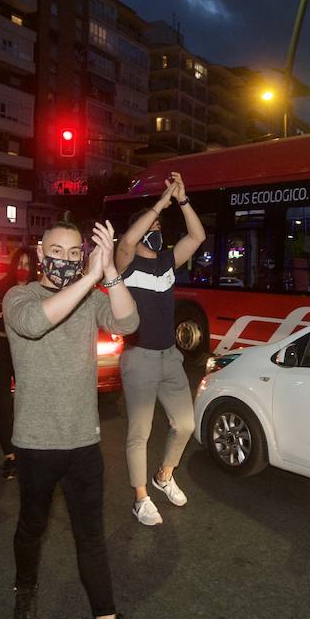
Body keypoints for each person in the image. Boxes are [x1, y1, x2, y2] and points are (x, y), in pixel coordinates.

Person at [2, 219, 162, 619]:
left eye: (76, 253)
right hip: (35, 442)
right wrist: (91, 277)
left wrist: (108, 270)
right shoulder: (21, 297)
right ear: (38, 250)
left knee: (91, 540)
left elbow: (129, 320)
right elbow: (34, 325)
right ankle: (25, 597)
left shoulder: (92, 293)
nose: (67, 260)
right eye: (57, 250)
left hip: (84, 442)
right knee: (32, 528)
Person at [113, 171, 206, 526]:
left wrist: (182, 200)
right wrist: (159, 203)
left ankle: (164, 475)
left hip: (170, 356)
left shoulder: (167, 262)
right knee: (140, 431)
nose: (157, 232)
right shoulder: (125, 264)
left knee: (184, 424)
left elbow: (197, 236)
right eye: (150, 227)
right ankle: (141, 498)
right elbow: (125, 242)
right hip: (138, 357)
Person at [0, 246, 40, 480]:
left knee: (27, 405)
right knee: (3, 407)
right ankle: (10, 457)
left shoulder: (38, 289)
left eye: (27, 264)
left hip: (27, 352)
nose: (22, 268)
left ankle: (28, 452)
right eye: (19, 263)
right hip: (1, 350)